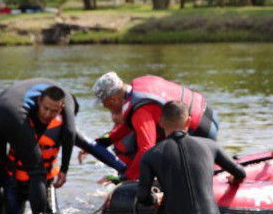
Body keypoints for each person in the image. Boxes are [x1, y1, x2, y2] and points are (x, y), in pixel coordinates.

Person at [136, 101, 246, 214]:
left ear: (161, 123)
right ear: (188, 121)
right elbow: (241, 173)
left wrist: (155, 199)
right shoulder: (210, 145)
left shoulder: (151, 155)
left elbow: (142, 197)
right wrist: (234, 180)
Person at [0, 80, 79, 214]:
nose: (49, 114)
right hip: (13, 114)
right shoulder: (67, 99)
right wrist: (65, 169)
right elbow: (70, 132)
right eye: (46, 109)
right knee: (37, 171)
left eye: (53, 111)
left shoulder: (41, 96)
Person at [92, 72, 220, 180]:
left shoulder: (140, 109)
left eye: (104, 103)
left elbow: (146, 149)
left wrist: (127, 177)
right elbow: (132, 122)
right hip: (208, 113)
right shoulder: (141, 84)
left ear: (113, 99)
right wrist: (109, 139)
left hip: (200, 131)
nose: (104, 107)